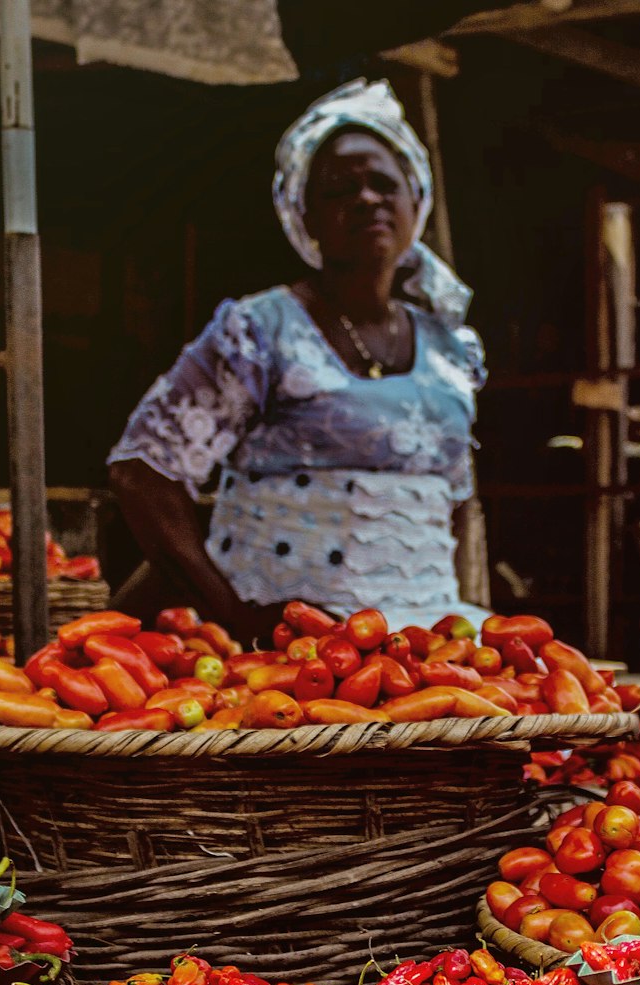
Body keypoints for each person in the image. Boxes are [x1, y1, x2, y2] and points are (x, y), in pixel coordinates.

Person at [108, 79, 489, 640]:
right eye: (339, 189)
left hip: (422, 640)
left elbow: (454, 503)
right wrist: (234, 615)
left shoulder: (452, 349)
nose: (367, 199)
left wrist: (453, 613)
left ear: (417, 201)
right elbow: (141, 475)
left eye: (385, 183)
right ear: (302, 215)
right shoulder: (259, 332)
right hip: (283, 645)